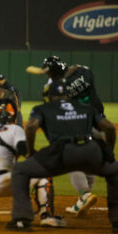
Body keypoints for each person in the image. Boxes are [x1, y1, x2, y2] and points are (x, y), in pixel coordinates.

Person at [6, 80, 118, 232]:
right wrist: (109, 153)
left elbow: (30, 127)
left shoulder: (43, 108)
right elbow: (109, 127)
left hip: (62, 153)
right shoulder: (86, 107)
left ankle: (21, 220)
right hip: (91, 150)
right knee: (115, 171)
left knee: (20, 170)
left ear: (47, 96)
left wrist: (30, 152)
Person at [0, 97, 65, 227]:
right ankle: (46, 215)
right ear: (13, 115)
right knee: (43, 175)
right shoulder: (15, 129)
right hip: (3, 183)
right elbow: (25, 151)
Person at [41, 56, 104, 216]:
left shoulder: (55, 86)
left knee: (71, 161)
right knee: (91, 162)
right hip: (100, 122)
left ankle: (84, 194)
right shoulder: (85, 71)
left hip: (79, 125)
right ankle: (82, 201)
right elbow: (75, 69)